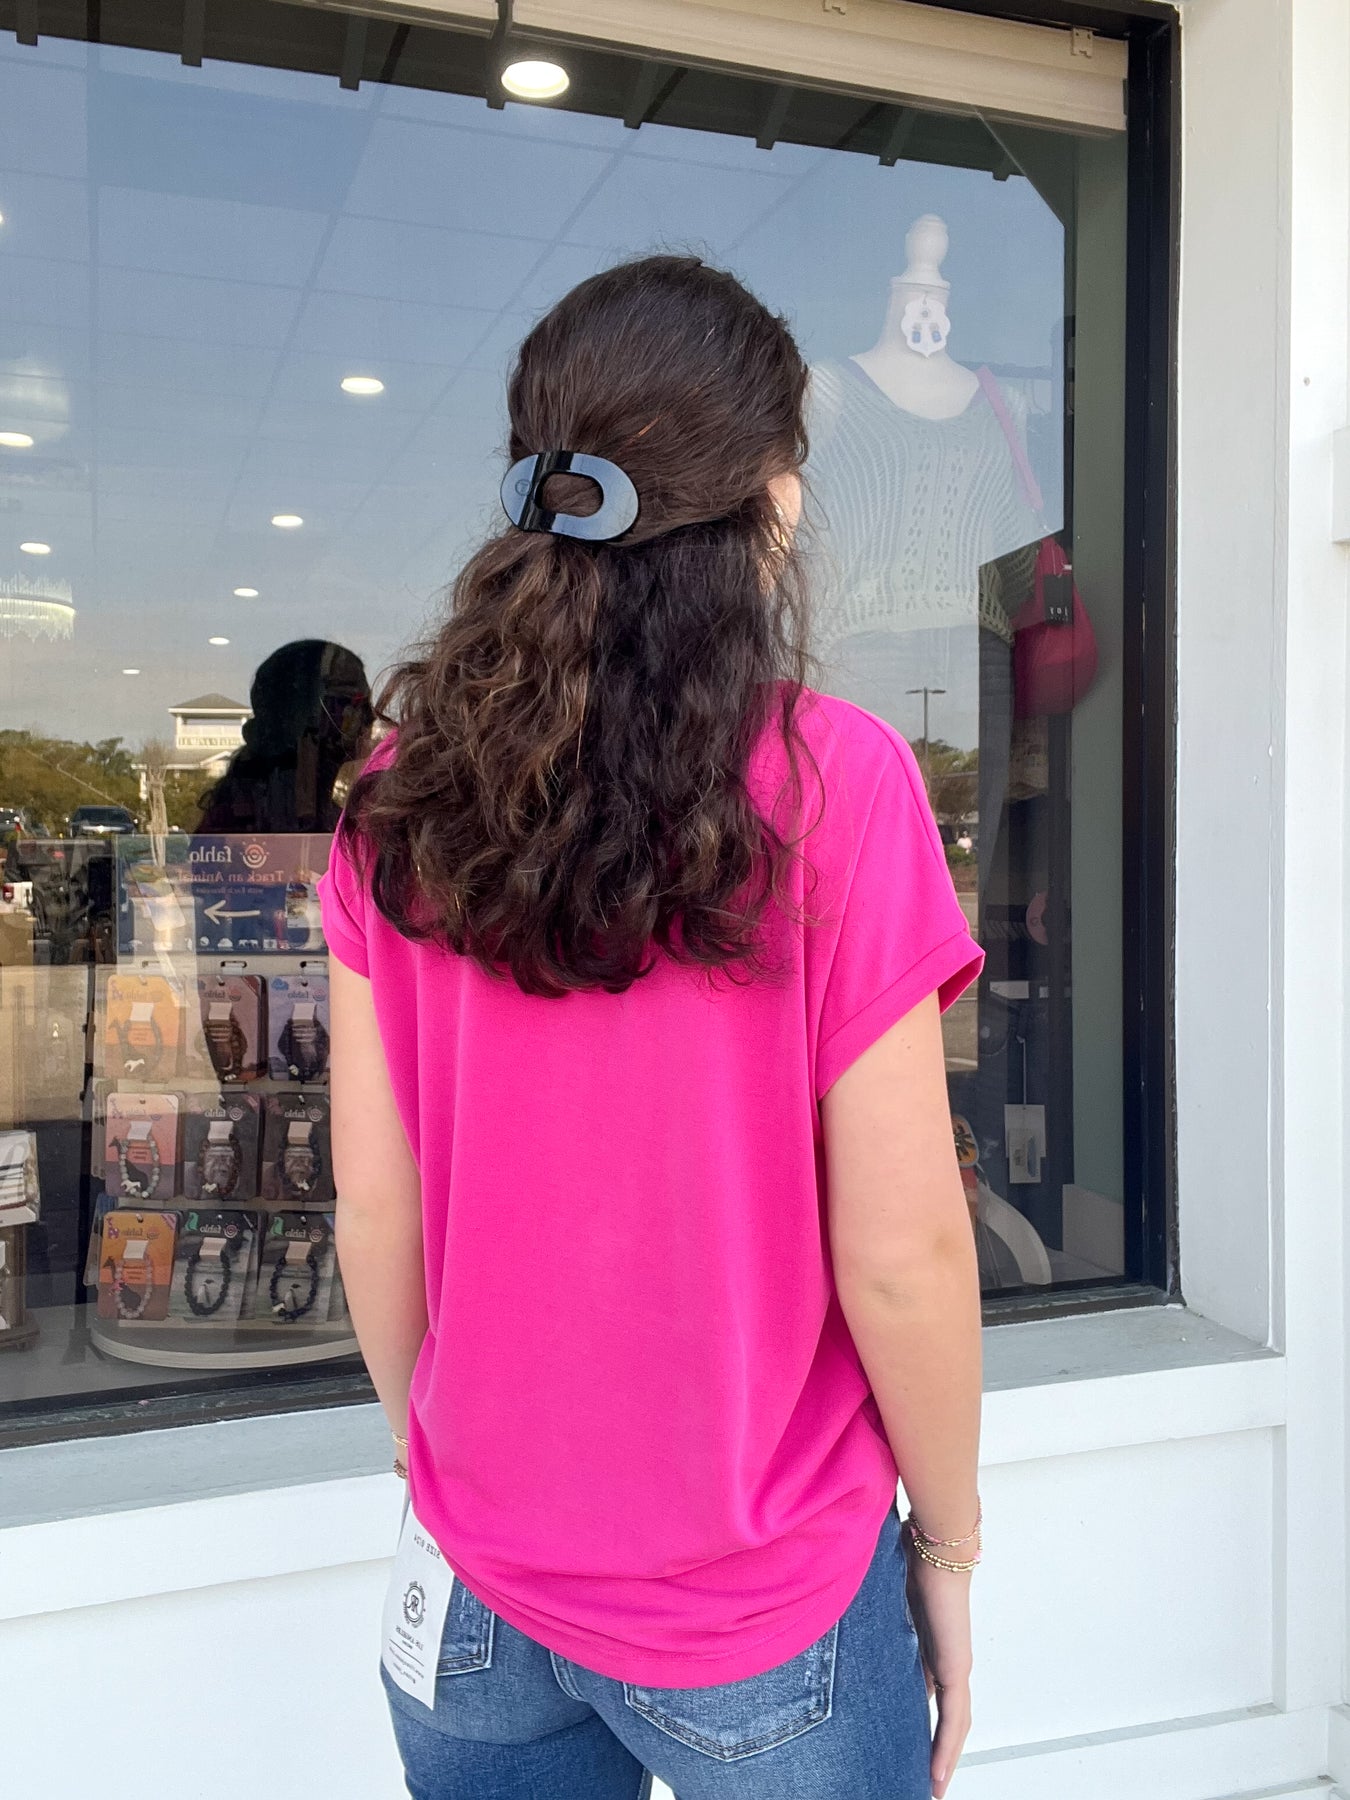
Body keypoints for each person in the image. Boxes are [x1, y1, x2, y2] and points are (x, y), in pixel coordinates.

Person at [319, 255, 985, 1800]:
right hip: (758, 1610)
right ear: (773, 498)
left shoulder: (400, 801)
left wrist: (445, 1472)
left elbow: (373, 1206)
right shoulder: (836, 784)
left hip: (474, 1593)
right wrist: (947, 1547)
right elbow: (901, 1253)